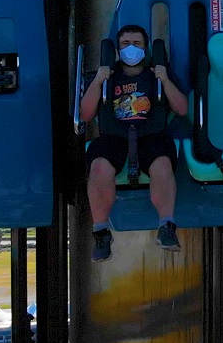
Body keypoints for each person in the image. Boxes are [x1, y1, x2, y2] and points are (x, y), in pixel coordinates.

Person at [79, 24, 189, 261]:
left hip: (152, 135)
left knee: (162, 163)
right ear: (118, 50)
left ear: (145, 47)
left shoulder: (158, 74)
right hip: (114, 136)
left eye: (137, 44)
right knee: (98, 166)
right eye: (126, 44)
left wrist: (164, 79)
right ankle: (101, 233)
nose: (131, 49)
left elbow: (181, 108)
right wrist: (98, 81)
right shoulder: (107, 77)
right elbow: (86, 114)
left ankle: (166, 227)